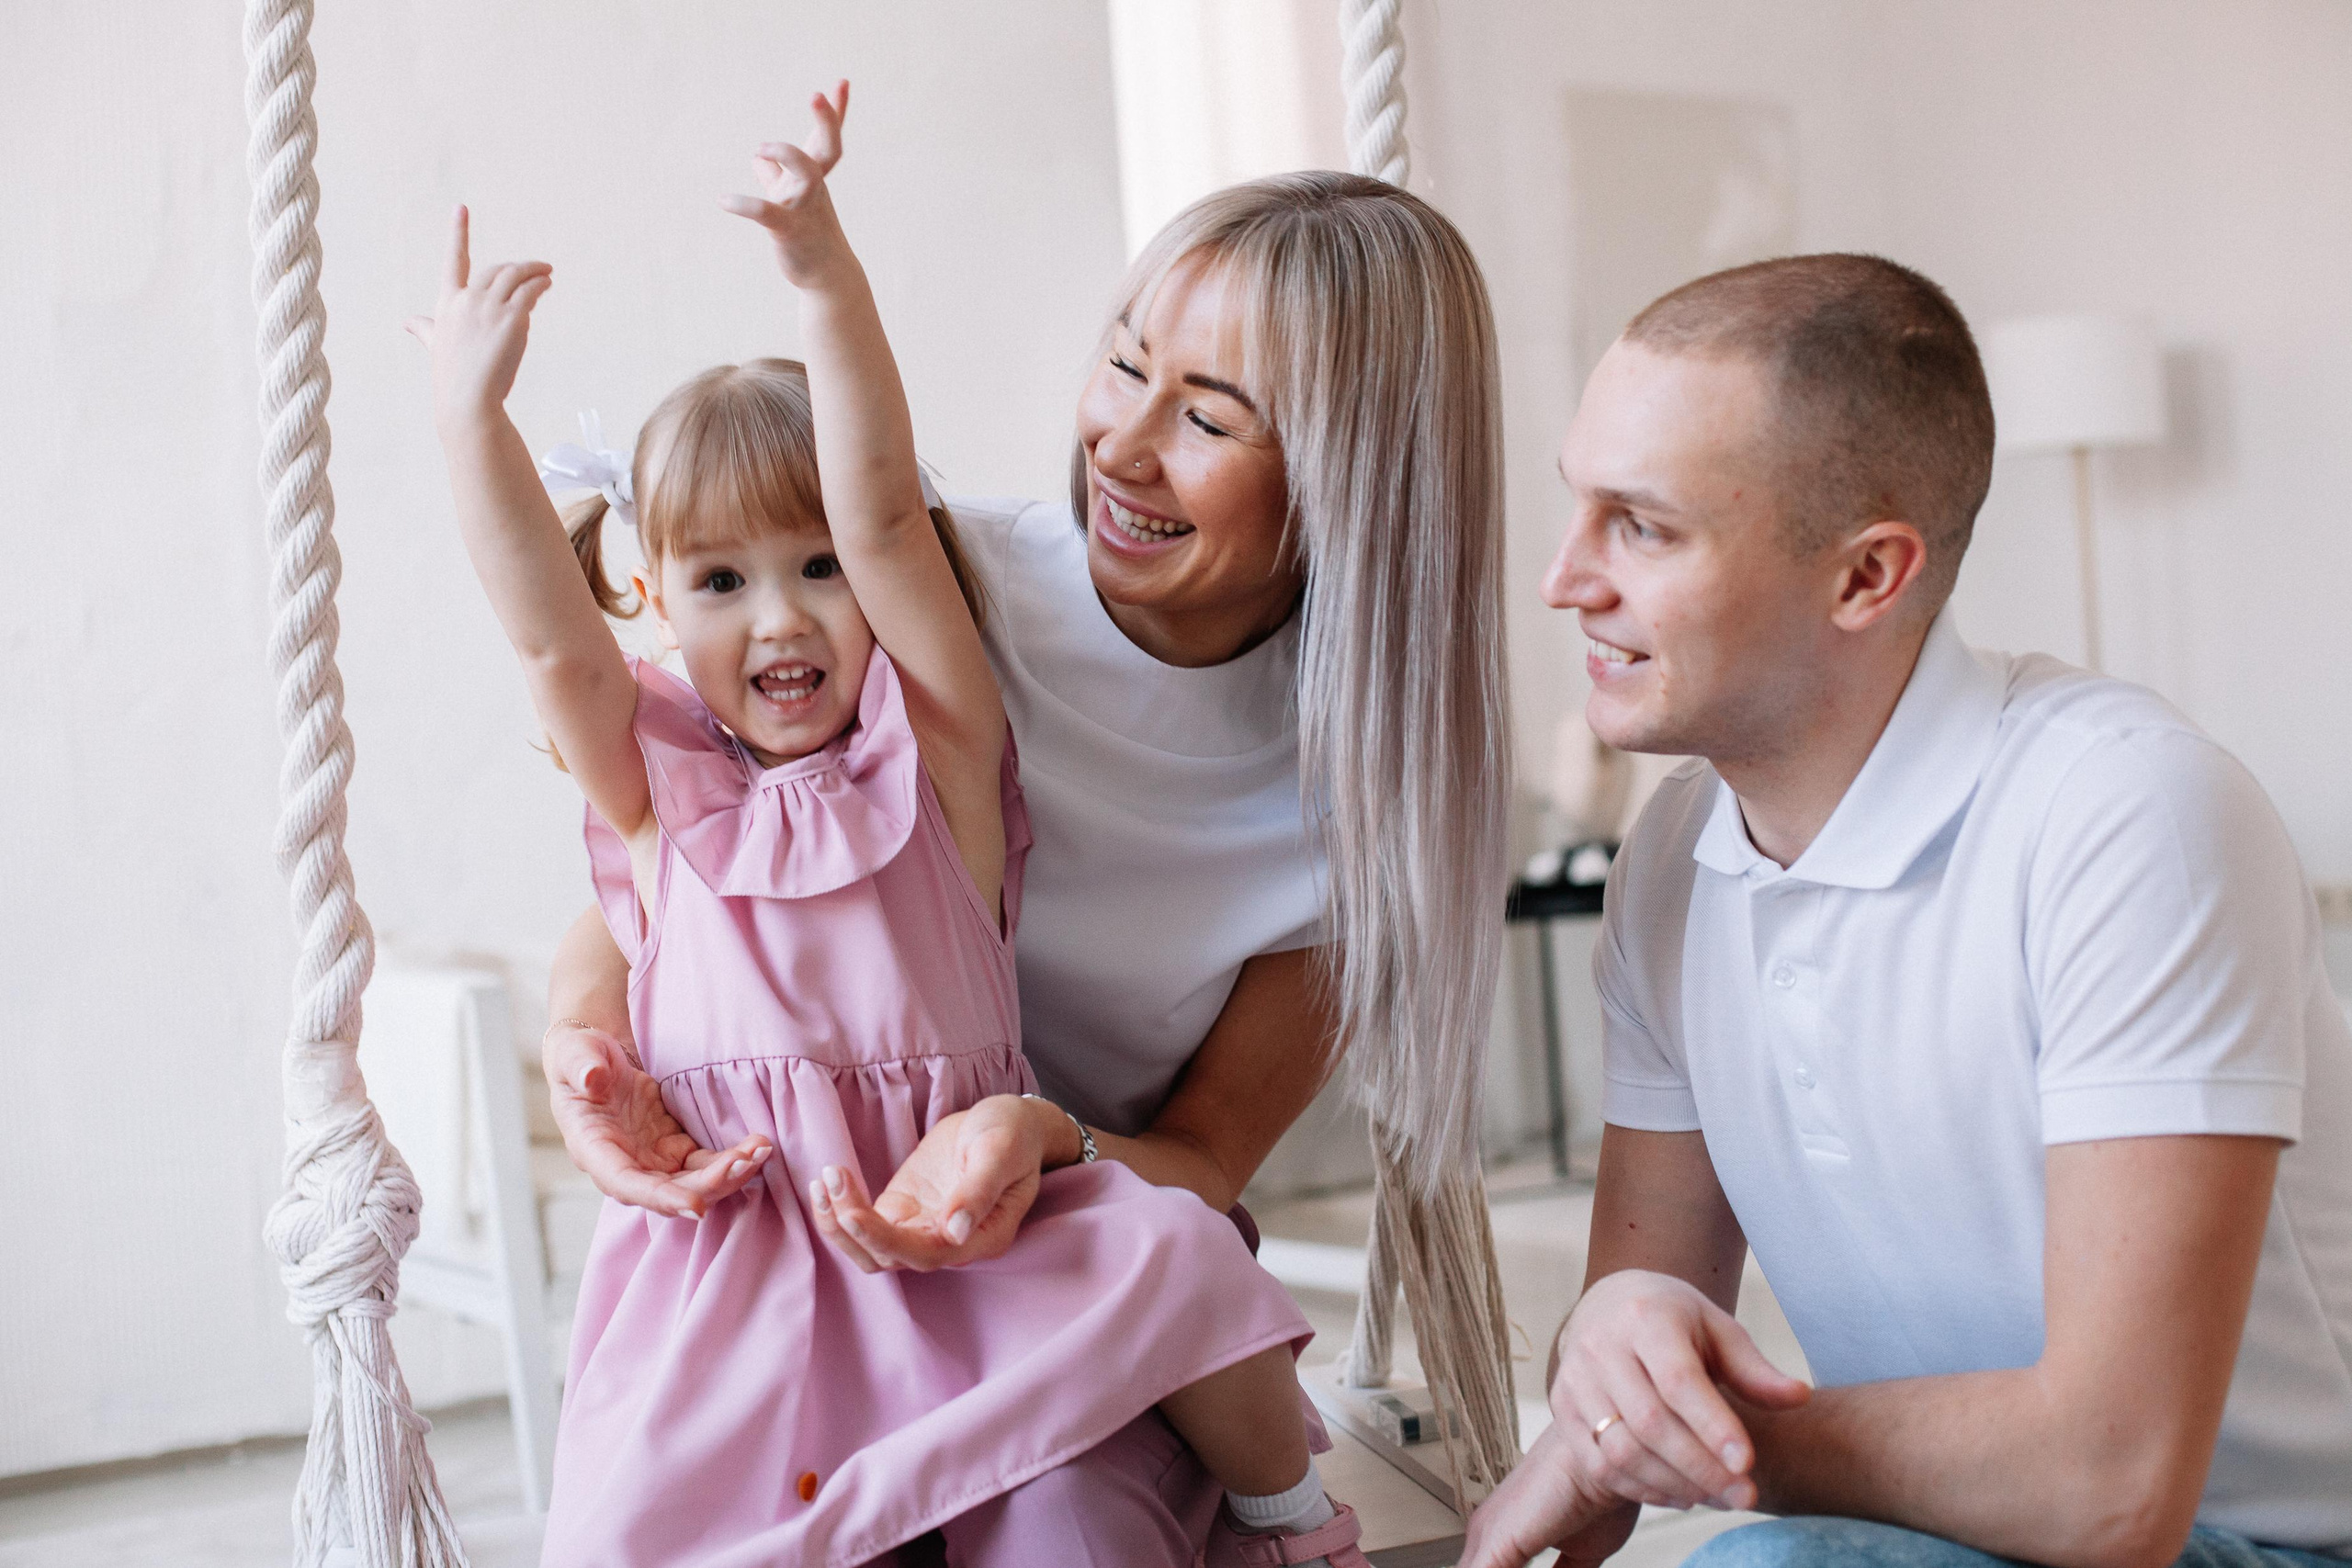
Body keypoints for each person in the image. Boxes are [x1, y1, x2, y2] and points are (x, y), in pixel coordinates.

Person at [412, 85, 1384, 1568]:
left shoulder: (934, 754)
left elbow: (878, 509)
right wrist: (470, 419)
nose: (783, 617)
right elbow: (548, 637)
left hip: (969, 1228)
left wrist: (822, 272)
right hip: (742, 1266)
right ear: (652, 602)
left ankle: (1292, 1523)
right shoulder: (655, 800)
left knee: (1172, 1257)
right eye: (721, 582)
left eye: (818, 570)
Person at [1461, 254, 2352, 1568]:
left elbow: (2112, 1487)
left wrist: (1691, 1441)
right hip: (1948, 1530)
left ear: (1867, 577)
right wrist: (1617, 1351)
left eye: (1642, 527)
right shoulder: (1671, 861)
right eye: (1577, 505)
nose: (1562, 578)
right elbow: (1638, 1335)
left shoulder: (2128, 814)